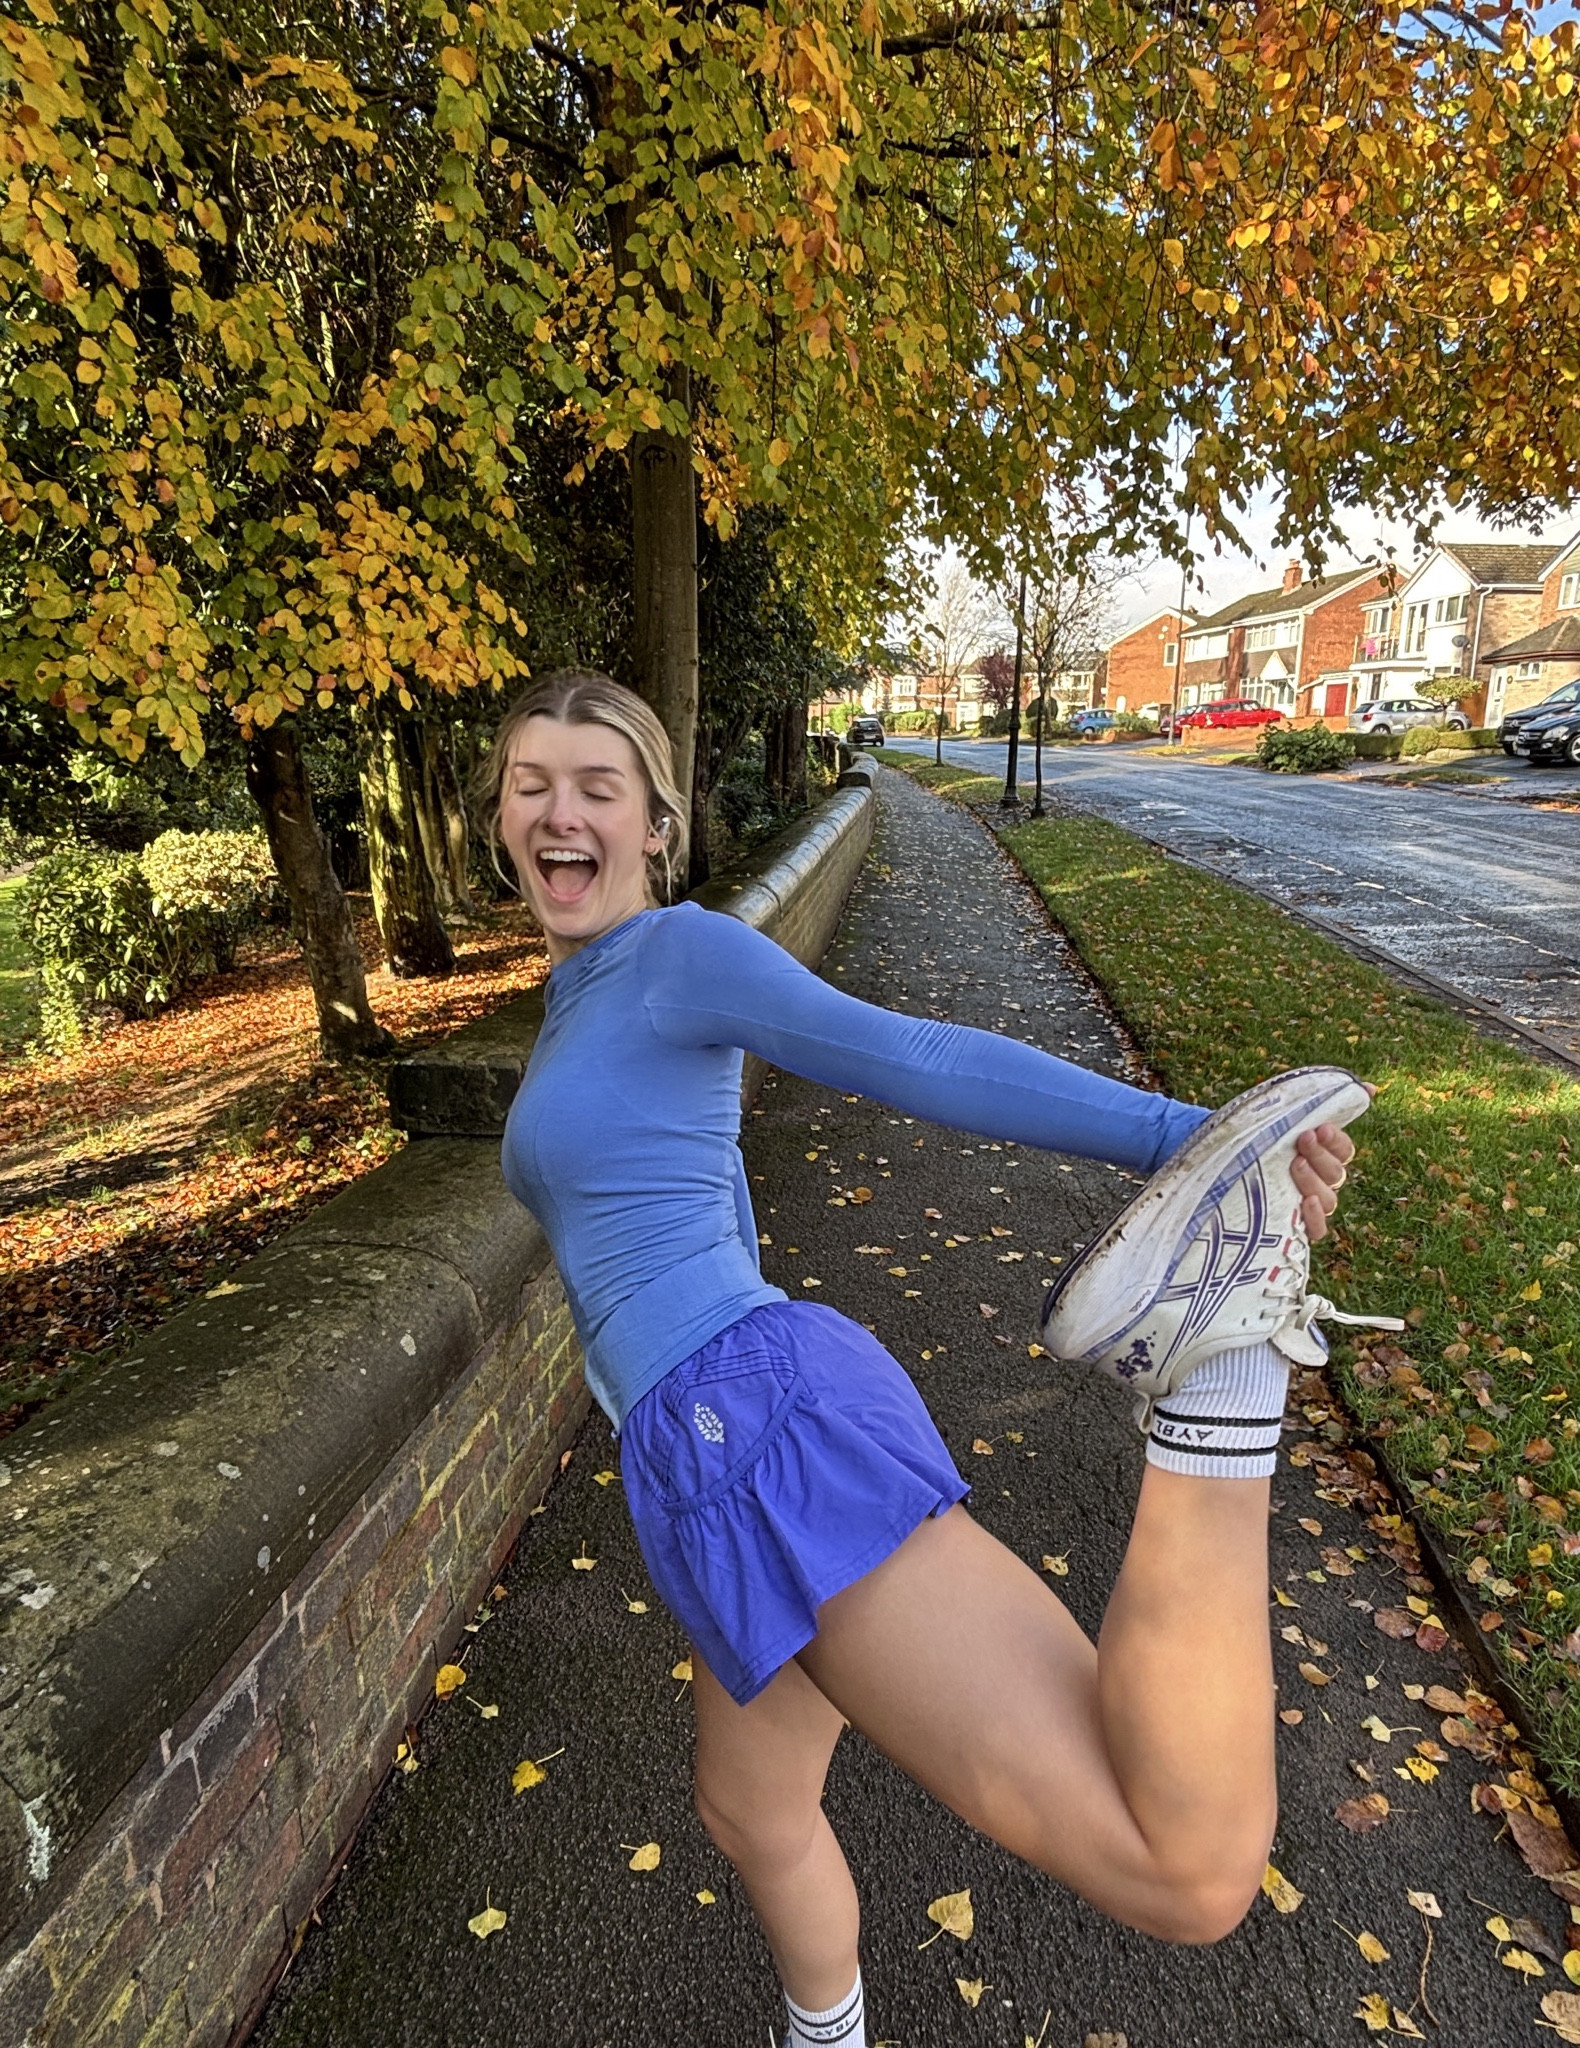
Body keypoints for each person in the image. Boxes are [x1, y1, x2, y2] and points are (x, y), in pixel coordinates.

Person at [477, 669, 1376, 2048]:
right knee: (750, 1804)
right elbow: (699, 1194)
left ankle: (1221, 1375)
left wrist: (1190, 1138)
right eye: (530, 783)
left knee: (1183, 1873)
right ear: (497, 817)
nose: (559, 810)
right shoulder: (583, 991)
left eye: (597, 786)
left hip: (751, 1435)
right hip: (704, 1450)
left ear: (657, 824)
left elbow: (910, 1054)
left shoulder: (676, 957)